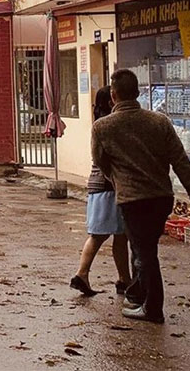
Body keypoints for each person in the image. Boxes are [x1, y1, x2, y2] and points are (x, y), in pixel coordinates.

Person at [92, 69, 190, 323]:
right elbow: (179, 159)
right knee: (143, 247)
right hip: (161, 198)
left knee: (144, 252)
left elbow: (101, 162)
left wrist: (118, 180)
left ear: (113, 96)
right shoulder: (159, 122)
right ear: (138, 93)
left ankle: (153, 308)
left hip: (133, 200)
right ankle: (138, 294)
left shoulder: (103, 127)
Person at [70, 86, 130, 297]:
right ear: (110, 101)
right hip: (109, 187)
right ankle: (83, 273)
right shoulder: (109, 125)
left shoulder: (100, 125)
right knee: (107, 235)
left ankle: (124, 278)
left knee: (113, 235)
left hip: (99, 187)